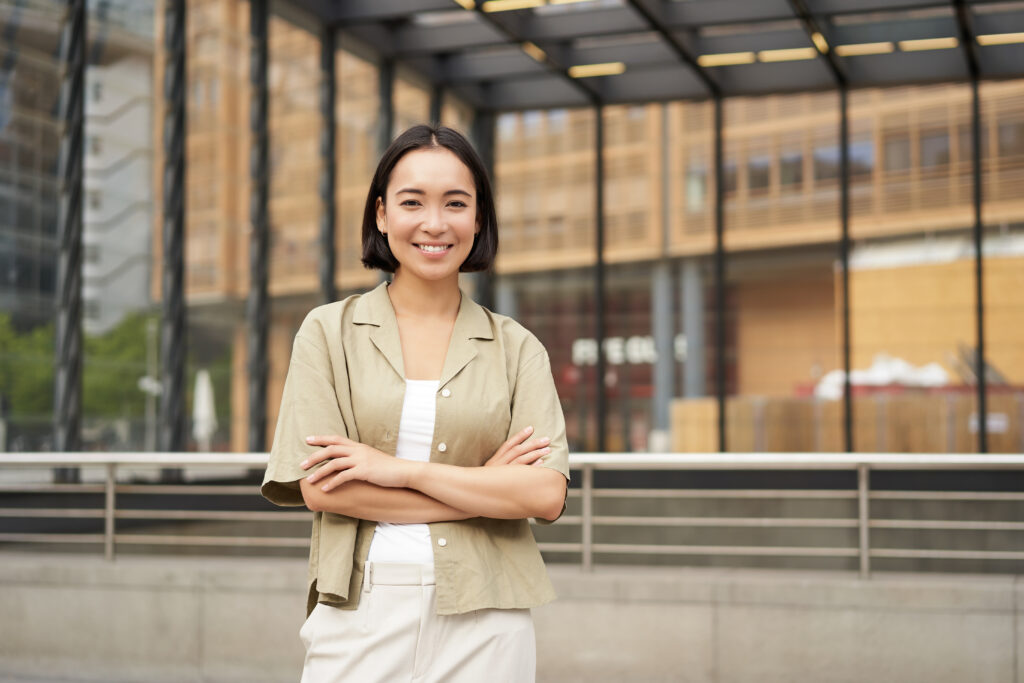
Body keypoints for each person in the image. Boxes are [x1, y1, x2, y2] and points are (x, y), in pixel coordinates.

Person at [261, 124, 570, 683]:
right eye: (412, 202)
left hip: (489, 614)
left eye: (456, 203)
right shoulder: (328, 333)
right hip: (362, 610)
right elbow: (326, 489)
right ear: (381, 214)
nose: (435, 223)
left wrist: (397, 472)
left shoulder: (517, 347)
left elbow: (544, 494)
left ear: (478, 219)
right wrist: (484, 490)